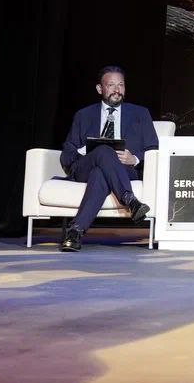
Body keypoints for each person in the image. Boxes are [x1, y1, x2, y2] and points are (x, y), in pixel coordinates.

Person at [58, 66, 158, 252]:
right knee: (103, 149)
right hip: (85, 167)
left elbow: (154, 148)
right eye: (111, 85)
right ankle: (129, 199)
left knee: (100, 174)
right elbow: (67, 154)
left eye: (121, 85)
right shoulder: (83, 115)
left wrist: (135, 158)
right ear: (100, 88)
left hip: (124, 169)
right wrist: (87, 150)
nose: (117, 90)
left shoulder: (140, 114)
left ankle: (75, 231)